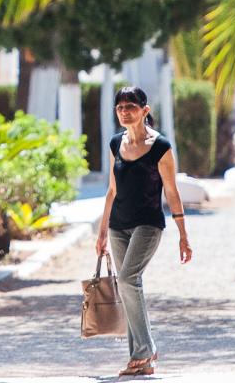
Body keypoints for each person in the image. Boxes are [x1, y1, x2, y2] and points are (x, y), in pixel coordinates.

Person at [95, 85, 191, 378]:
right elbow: (112, 191)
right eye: (120, 108)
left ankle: (144, 350)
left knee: (128, 279)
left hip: (148, 224)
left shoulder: (160, 147)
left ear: (144, 111)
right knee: (128, 288)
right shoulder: (115, 144)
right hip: (118, 225)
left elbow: (172, 192)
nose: (125, 112)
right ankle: (143, 362)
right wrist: (101, 234)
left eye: (131, 107)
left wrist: (183, 235)